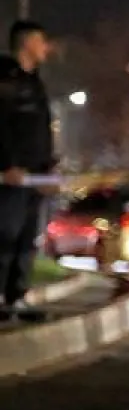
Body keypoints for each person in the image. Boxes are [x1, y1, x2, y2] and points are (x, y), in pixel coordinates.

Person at [0, 20, 56, 317]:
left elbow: (41, 130)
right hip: (11, 177)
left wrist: (48, 169)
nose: (46, 48)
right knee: (5, 234)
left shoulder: (35, 83)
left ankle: (17, 297)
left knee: (26, 237)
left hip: (34, 175)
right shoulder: (5, 80)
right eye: (41, 41)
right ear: (27, 43)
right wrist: (7, 165)